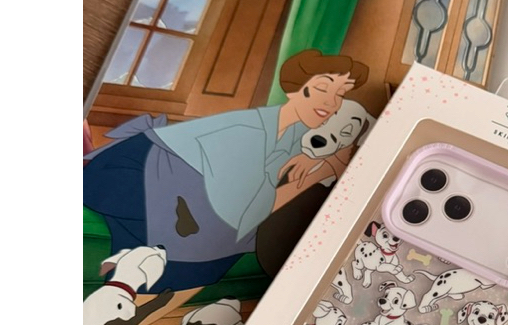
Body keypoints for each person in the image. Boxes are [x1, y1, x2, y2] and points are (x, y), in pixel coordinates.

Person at [84, 48, 369, 291]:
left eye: (340, 94)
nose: (331, 102)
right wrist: (320, 173)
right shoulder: (249, 130)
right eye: (322, 88)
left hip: (184, 179)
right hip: (138, 167)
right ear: (295, 89)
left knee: (218, 251)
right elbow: (253, 211)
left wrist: (322, 161)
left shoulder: (300, 133)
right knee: (202, 248)